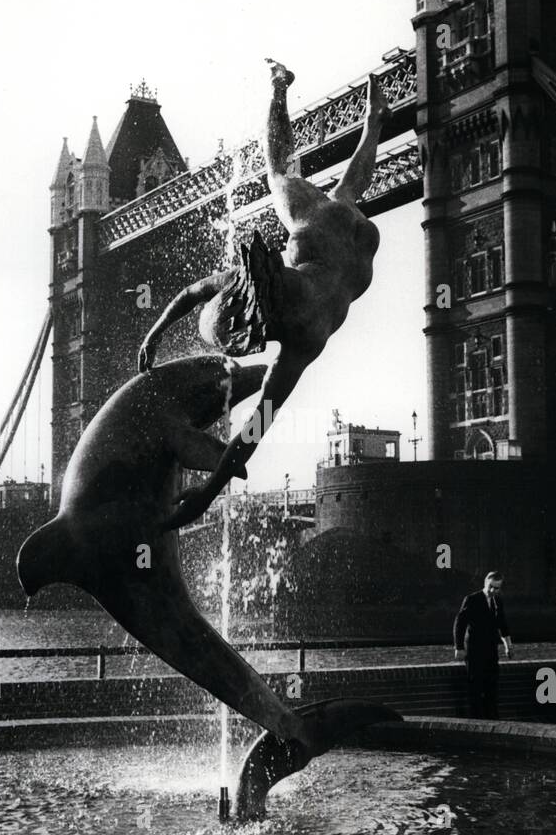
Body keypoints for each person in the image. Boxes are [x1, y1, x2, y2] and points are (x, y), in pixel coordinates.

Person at [139, 59, 390, 528]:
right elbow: (197, 291)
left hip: (359, 255)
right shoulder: (269, 280)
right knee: (284, 174)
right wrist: (154, 333)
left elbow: (256, 427)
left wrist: (208, 493)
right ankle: (286, 89)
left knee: (330, 187)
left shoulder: (304, 340)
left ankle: (353, 113)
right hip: (327, 234)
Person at [453, 571, 513, 719]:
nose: (493, 591)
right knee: (475, 685)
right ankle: (477, 719)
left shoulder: (497, 601)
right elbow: (459, 624)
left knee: (491, 684)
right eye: (491, 587)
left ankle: (492, 718)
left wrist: (508, 645)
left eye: (497, 588)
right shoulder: (472, 599)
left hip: (491, 649)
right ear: (485, 583)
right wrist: (459, 647)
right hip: (474, 650)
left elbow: (502, 624)